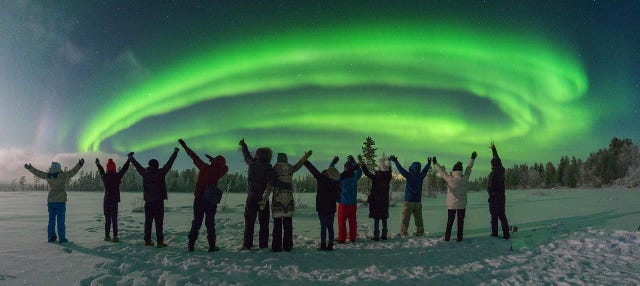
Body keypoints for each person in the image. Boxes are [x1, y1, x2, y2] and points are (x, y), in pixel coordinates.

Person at [239, 138, 291, 250]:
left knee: (249, 223)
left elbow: (247, 156)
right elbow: (273, 182)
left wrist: (243, 145)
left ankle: (247, 245)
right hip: (263, 199)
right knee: (264, 224)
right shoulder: (268, 168)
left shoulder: (252, 164)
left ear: (257, 154)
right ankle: (263, 245)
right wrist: (286, 185)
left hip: (251, 198)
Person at [179, 139, 229, 252]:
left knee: (196, 222)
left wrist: (185, 147)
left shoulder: (204, 167)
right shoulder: (219, 172)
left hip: (199, 199)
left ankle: (190, 245)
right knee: (210, 223)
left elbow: (194, 157)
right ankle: (212, 246)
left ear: (214, 161)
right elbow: (226, 168)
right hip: (211, 201)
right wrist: (215, 162)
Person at [260, 151, 311, 252]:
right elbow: (299, 164)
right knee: (288, 225)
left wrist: (264, 200)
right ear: (286, 159)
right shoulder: (290, 168)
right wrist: (305, 156)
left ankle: (276, 246)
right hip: (289, 202)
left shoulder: (274, 169)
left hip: (277, 201)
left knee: (277, 225)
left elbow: (270, 185)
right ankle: (288, 246)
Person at [129, 148, 179, 248]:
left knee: (148, 222)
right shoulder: (160, 173)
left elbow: (137, 166)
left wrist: (131, 158)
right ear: (157, 165)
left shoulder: (145, 173)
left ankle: (147, 241)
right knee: (159, 223)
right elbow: (169, 164)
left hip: (148, 203)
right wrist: (175, 152)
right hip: (159, 203)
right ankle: (160, 242)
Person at [24, 159, 84, 243]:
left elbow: (39, 173)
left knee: (51, 220)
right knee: (61, 221)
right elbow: (72, 172)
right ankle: (62, 239)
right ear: (59, 168)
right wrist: (80, 164)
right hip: (60, 201)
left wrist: (30, 168)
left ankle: (51, 236)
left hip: (51, 201)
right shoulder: (62, 175)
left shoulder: (48, 175)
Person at [433, 151, 476, 242]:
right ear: (461, 170)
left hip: (451, 205)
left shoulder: (449, 179)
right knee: (460, 222)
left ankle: (447, 238)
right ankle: (459, 238)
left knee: (450, 221)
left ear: (453, 170)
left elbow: (442, 171)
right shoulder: (464, 178)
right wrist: (472, 158)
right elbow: (468, 168)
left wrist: (435, 163)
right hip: (461, 205)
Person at [303, 156, 341, 250]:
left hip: (322, 208)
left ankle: (323, 244)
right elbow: (338, 198)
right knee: (330, 227)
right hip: (331, 208)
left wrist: (305, 161)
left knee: (323, 227)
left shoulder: (321, 179)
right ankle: (330, 244)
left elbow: (313, 170)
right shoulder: (336, 184)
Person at [389, 155, 431, 237]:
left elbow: (401, 169)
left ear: (411, 168)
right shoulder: (421, 176)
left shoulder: (409, 175)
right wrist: (428, 164)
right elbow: (425, 170)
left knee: (405, 218)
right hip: (418, 202)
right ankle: (420, 231)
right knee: (419, 218)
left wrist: (395, 161)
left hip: (408, 201)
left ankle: (403, 232)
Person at [96, 157, 131, 242]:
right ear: (114, 168)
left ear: (107, 168)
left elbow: (101, 171)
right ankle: (115, 237)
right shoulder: (117, 176)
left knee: (107, 220)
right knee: (114, 220)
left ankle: (107, 236)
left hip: (107, 201)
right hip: (114, 201)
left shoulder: (105, 176)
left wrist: (98, 164)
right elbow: (124, 169)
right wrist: (129, 160)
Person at [360, 155, 393, 241]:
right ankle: (384, 234)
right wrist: (389, 162)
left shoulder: (376, 177)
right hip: (384, 201)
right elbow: (389, 170)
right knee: (384, 218)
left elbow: (367, 172)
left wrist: (362, 163)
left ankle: (376, 235)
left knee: (377, 218)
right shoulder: (388, 177)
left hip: (376, 201)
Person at [335, 155, 362, 243]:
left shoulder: (342, 178)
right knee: (352, 221)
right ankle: (352, 237)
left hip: (343, 203)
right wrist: (354, 161)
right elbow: (359, 171)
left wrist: (333, 163)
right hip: (353, 204)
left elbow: (334, 178)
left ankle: (342, 238)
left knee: (342, 222)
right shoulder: (354, 178)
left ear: (345, 168)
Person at [487, 142, 510, 239]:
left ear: (493, 164)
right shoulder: (501, 170)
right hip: (501, 197)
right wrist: (493, 149)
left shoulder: (494, 173)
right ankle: (506, 234)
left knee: (494, 216)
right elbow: (497, 158)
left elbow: (491, 186)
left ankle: (495, 234)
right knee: (502, 215)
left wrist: (490, 195)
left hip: (495, 198)